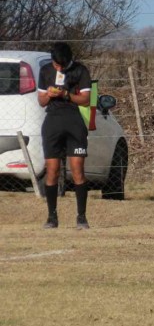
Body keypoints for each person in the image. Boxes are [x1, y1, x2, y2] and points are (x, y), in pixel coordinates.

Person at [37, 42, 93, 230]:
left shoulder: (80, 71)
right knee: (52, 170)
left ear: (69, 60)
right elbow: (41, 101)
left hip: (74, 123)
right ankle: (52, 217)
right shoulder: (45, 70)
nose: (58, 68)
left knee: (77, 169)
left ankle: (82, 217)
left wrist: (66, 94)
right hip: (52, 122)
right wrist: (51, 95)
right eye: (56, 65)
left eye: (62, 65)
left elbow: (85, 100)